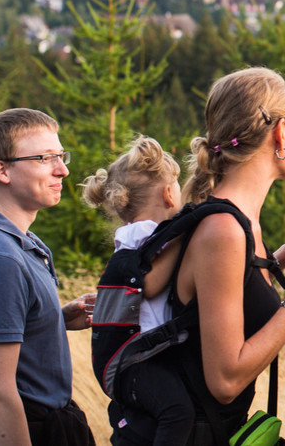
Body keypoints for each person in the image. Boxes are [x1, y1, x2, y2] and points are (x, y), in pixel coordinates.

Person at [112, 67, 285, 444]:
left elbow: (222, 300)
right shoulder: (224, 230)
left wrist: (279, 260)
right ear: (279, 133)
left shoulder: (238, 224)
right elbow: (225, 380)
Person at [0, 108, 97, 446]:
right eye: (45, 158)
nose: (63, 169)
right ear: (3, 170)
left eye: (60, 156)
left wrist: (54, 316)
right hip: (15, 428)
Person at [80, 135, 193, 445]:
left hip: (134, 357)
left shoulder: (133, 236)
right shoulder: (147, 235)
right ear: (170, 194)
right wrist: (189, 229)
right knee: (177, 411)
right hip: (135, 360)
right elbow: (151, 283)